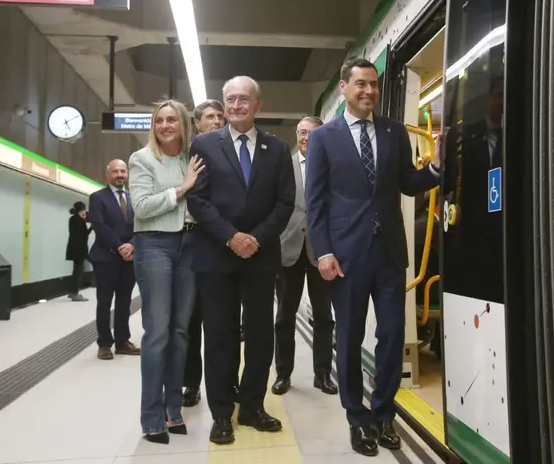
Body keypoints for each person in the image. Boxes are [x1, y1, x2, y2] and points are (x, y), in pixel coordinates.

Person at [305, 57, 441, 456]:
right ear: (344, 88)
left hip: (389, 253)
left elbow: (407, 182)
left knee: (392, 334)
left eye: (374, 85)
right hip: (345, 254)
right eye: (360, 84)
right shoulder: (324, 139)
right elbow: (316, 203)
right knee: (349, 337)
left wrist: (434, 168)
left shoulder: (394, 132)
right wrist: (324, 251)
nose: (368, 91)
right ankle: (356, 416)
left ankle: (383, 413)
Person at [186, 76, 295, 445]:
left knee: (261, 336)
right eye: (229, 99)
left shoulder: (277, 148)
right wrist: (231, 237)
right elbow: (197, 200)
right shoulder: (203, 144)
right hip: (217, 256)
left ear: (257, 105)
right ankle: (221, 415)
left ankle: (251, 407)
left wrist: (256, 238)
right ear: (223, 102)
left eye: (243, 99)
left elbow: (285, 202)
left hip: (262, 258)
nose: (235, 106)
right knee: (219, 336)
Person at [127, 99, 206, 444]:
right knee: (157, 332)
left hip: (190, 246)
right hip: (154, 245)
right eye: (160, 120)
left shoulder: (194, 158)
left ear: (184, 124)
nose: (165, 126)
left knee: (180, 333)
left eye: (172, 119)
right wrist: (183, 188)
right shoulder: (142, 159)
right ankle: (151, 416)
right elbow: (142, 208)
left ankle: (174, 410)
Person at [272, 115, 337, 396]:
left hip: (323, 251)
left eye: (311, 133)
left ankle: (322, 374)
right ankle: (283, 374)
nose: (304, 138)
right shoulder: (282, 165)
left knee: (323, 316)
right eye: (301, 132)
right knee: (285, 316)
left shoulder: (333, 166)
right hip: (288, 250)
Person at [182, 99, 240, 408]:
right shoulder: (187, 156)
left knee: (226, 323)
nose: (216, 121)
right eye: (209, 117)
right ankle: (191, 383)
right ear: (197, 123)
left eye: (220, 116)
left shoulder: (231, 156)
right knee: (191, 322)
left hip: (223, 245)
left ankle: (229, 381)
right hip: (192, 246)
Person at [88, 160, 140, 361]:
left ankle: (122, 341)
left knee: (124, 301)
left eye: (123, 171)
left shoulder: (135, 198)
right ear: (107, 174)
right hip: (106, 257)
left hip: (129, 258)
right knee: (104, 301)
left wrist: (132, 245)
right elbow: (100, 226)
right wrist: (120, 247)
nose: (120, 175)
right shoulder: (97, 198)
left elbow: (142, 223)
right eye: (115, 171)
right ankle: (104, 343)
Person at [64, 201, 91, 301]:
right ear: (81, 209)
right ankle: (74, 293)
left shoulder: (72, 219)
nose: (85, 212)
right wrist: (92, 227)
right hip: (79, 249)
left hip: (73, 248)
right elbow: (84, 234)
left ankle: (73, 292)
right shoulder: (79, 220)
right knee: (78, 271)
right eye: (84, 209)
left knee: (76, 271)